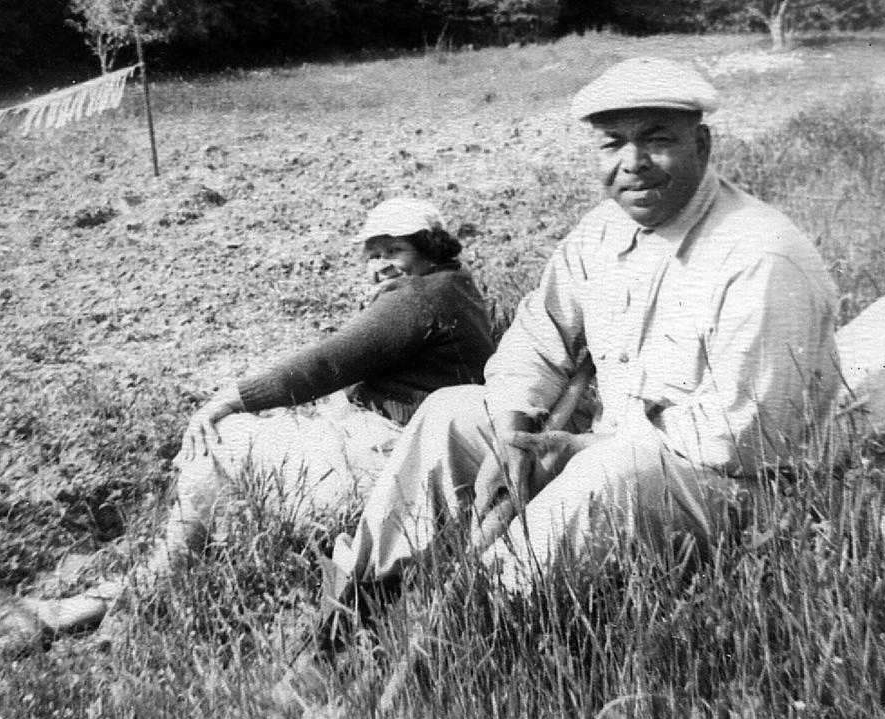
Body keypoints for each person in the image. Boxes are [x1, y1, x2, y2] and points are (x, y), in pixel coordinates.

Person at [322, 57, 840, 628]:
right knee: (452, 411)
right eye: (612, 142)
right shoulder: (603, 232)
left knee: (611, 473)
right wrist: (517, 429)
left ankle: (460, 635)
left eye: (657, 140)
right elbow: (535, 343)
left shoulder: (760, 254)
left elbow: (747, 435)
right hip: (615, 449)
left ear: (703, 144)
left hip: (737, 491)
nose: (632, 163)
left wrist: (578, 449)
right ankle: (355, 612)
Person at [0, 197, 496, 645]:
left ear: (430, 248)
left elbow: (326, 363)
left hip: (394, 474)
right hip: (419, 466)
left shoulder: (420, 299)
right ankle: (97, 604)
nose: (381, 265)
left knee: (219, 441)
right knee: (222, 491)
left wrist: (226, 400)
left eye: (396, 251)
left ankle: (125, 607)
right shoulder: (458, 289)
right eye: (374, 254)